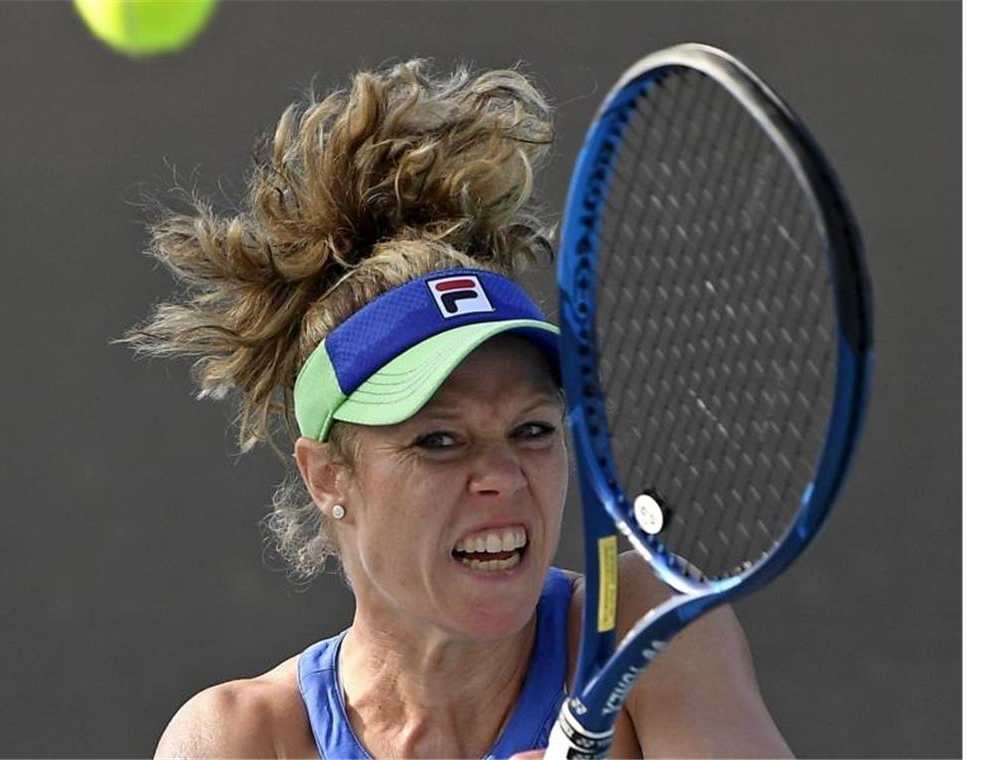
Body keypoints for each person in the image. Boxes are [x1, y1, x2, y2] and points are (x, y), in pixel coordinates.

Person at [126, 60, 792, 759]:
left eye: (533, 430)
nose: (503, 475)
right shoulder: (242, 739)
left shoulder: (646, 627)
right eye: (440, 440)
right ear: (327, 477)